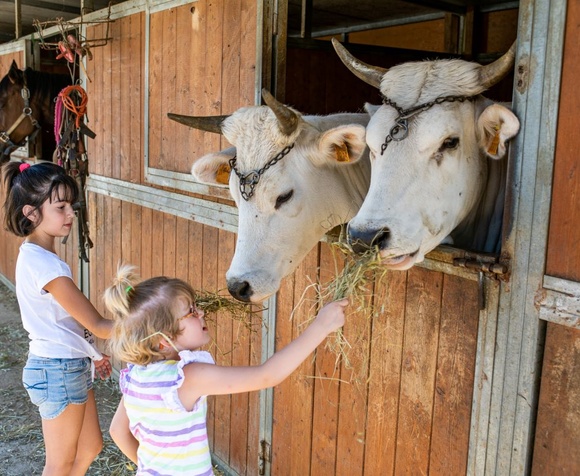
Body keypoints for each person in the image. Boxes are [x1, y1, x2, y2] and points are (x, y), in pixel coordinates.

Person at [104, 264, 348, 476]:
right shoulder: (188, 378)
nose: (201, 313)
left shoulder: (136, 374)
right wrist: (321, 326)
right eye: (190, 312)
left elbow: (117, 431)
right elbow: (268, 376)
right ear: (165, 339)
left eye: (196, 306)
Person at [1, 161, 113, 476]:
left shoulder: (40, 257)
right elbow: (100, 325)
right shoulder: (46, 267)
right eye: (60, 207)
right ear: (31, 213)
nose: (70, 214)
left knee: (90, 448)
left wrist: (93, 354)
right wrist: (153, 319)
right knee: (59, 465)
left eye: (71, 206)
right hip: (57, 370)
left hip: (70, 363)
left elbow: (65, 322)